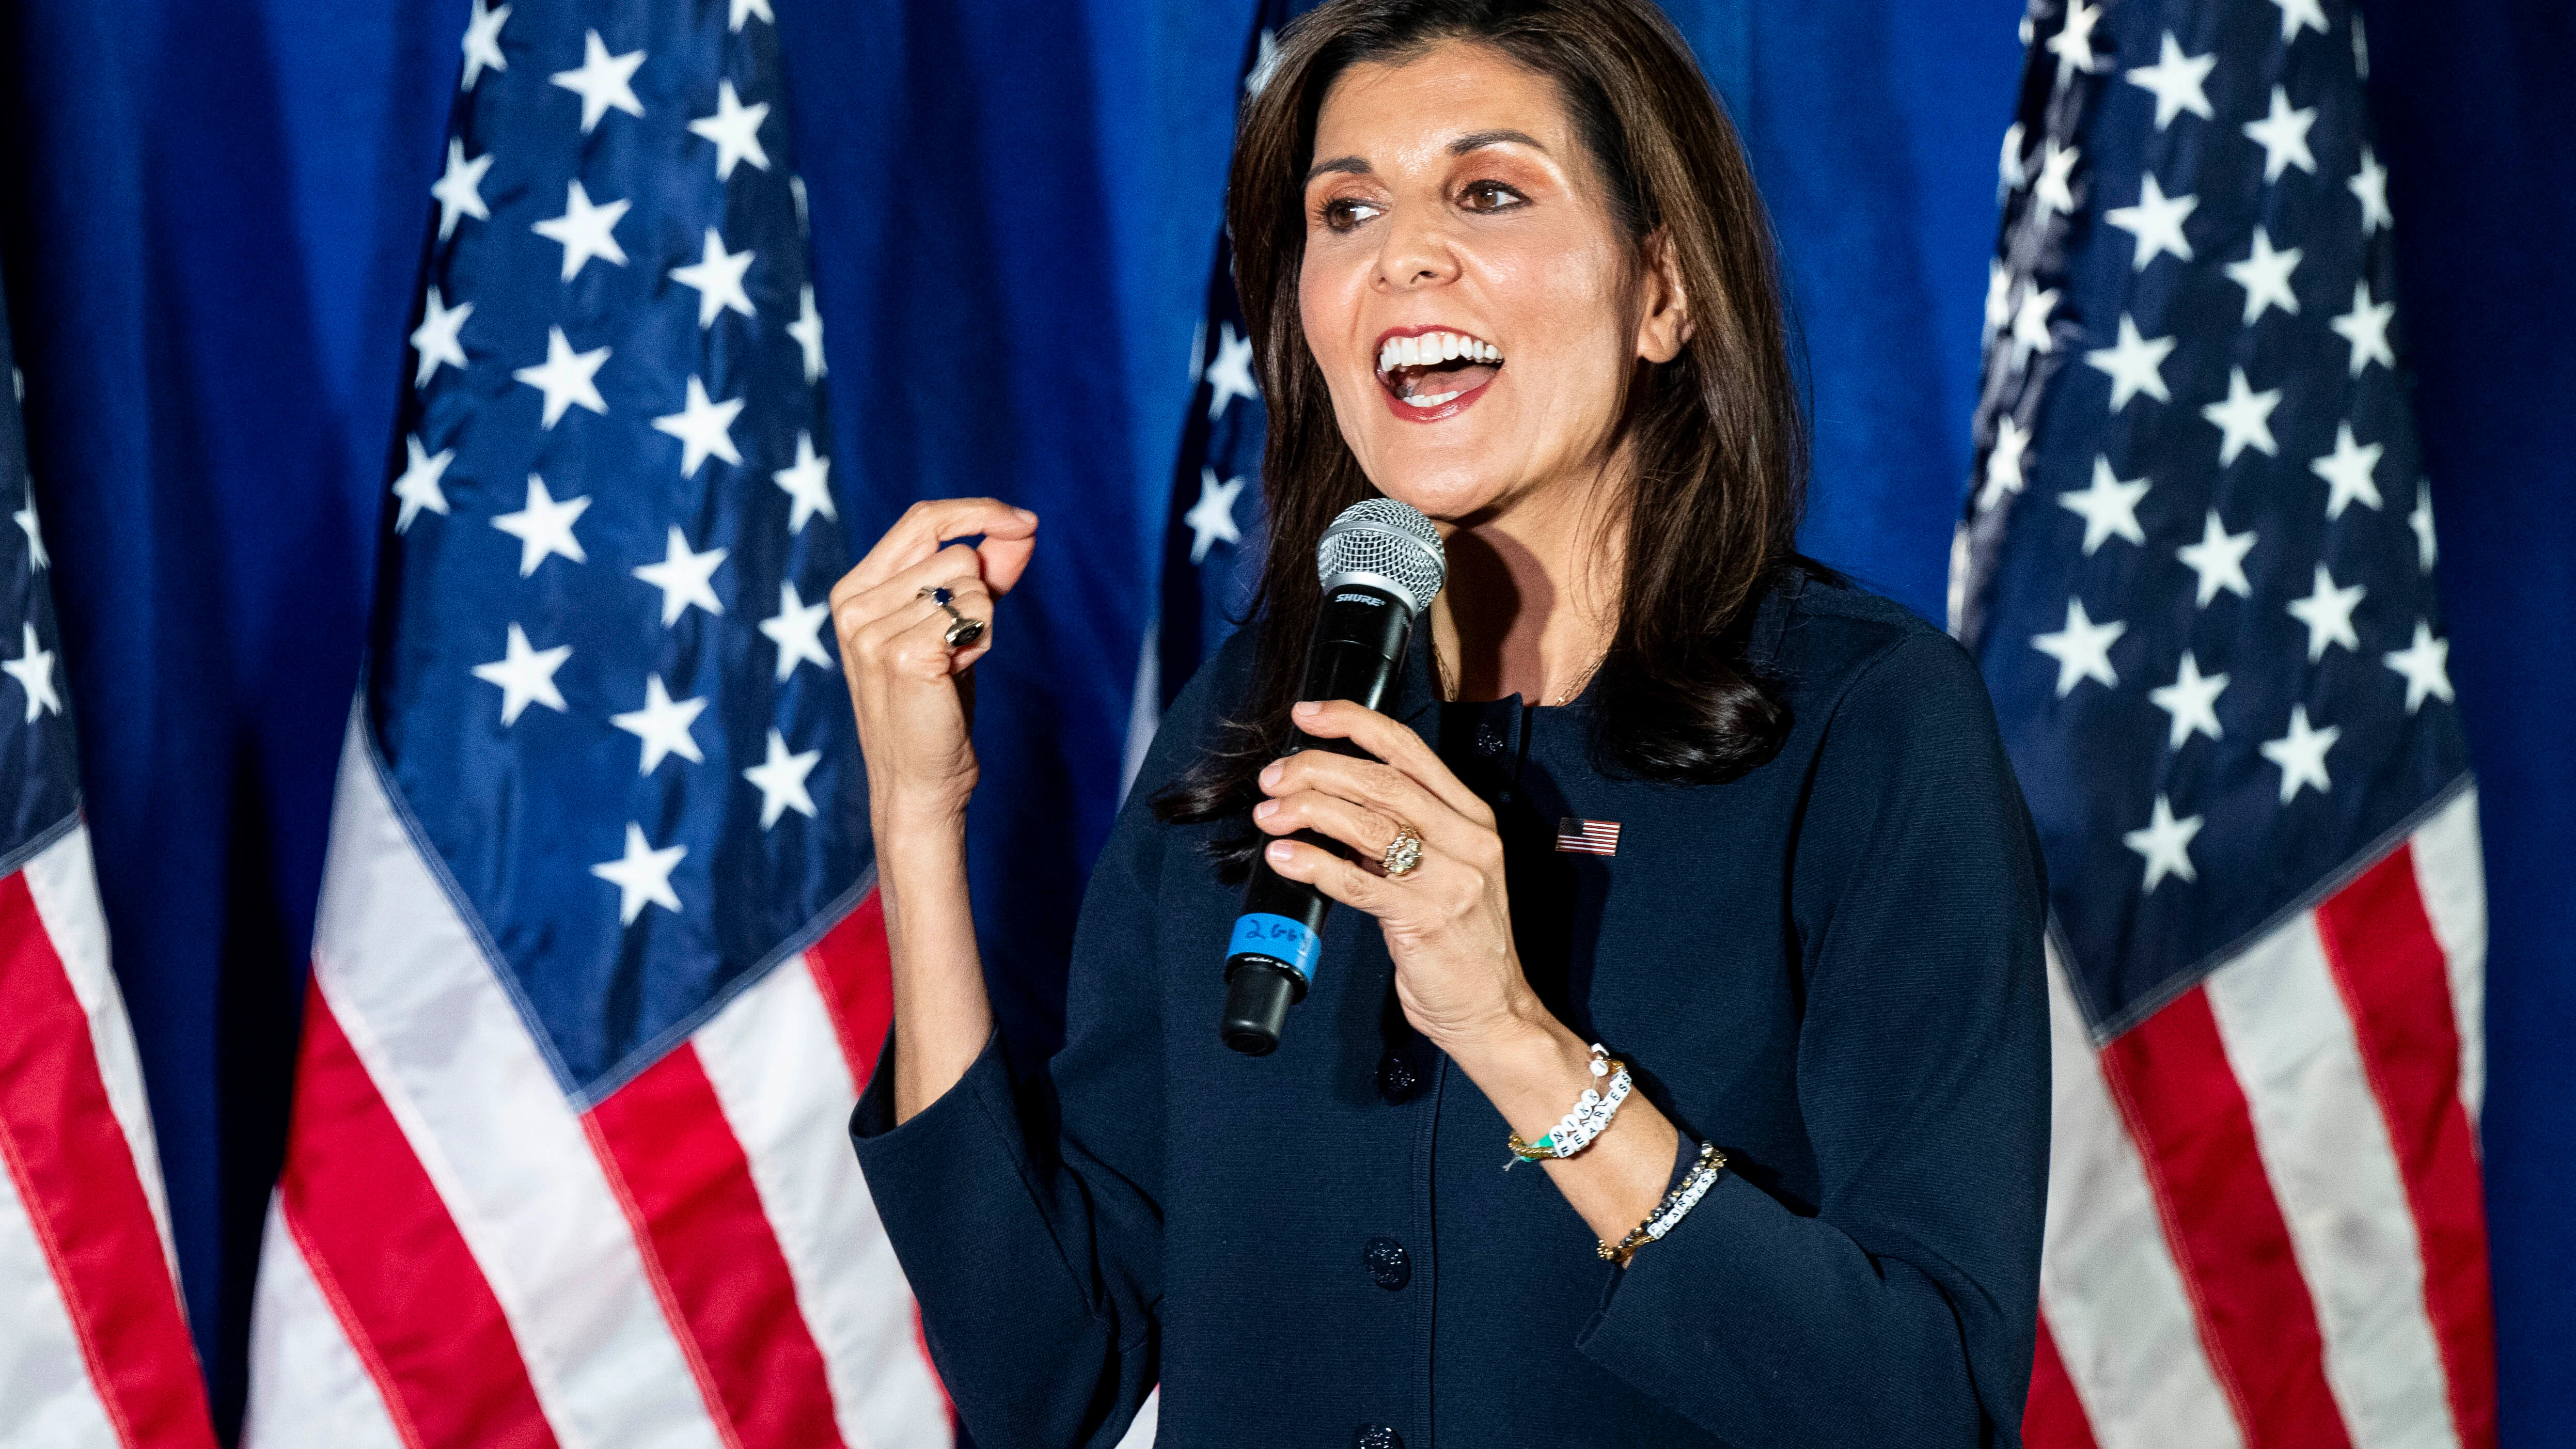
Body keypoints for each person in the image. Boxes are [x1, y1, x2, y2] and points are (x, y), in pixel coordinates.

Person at [831, 1, 2049, 1444]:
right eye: (1343, 211)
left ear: (1661, 290)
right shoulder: (1259, 721)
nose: (1398, 254)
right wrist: (918, 817)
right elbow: (1047, 1365)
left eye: (1487, 191)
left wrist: (1510, 1031)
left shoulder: (1862, 719)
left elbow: (1925, 1407)